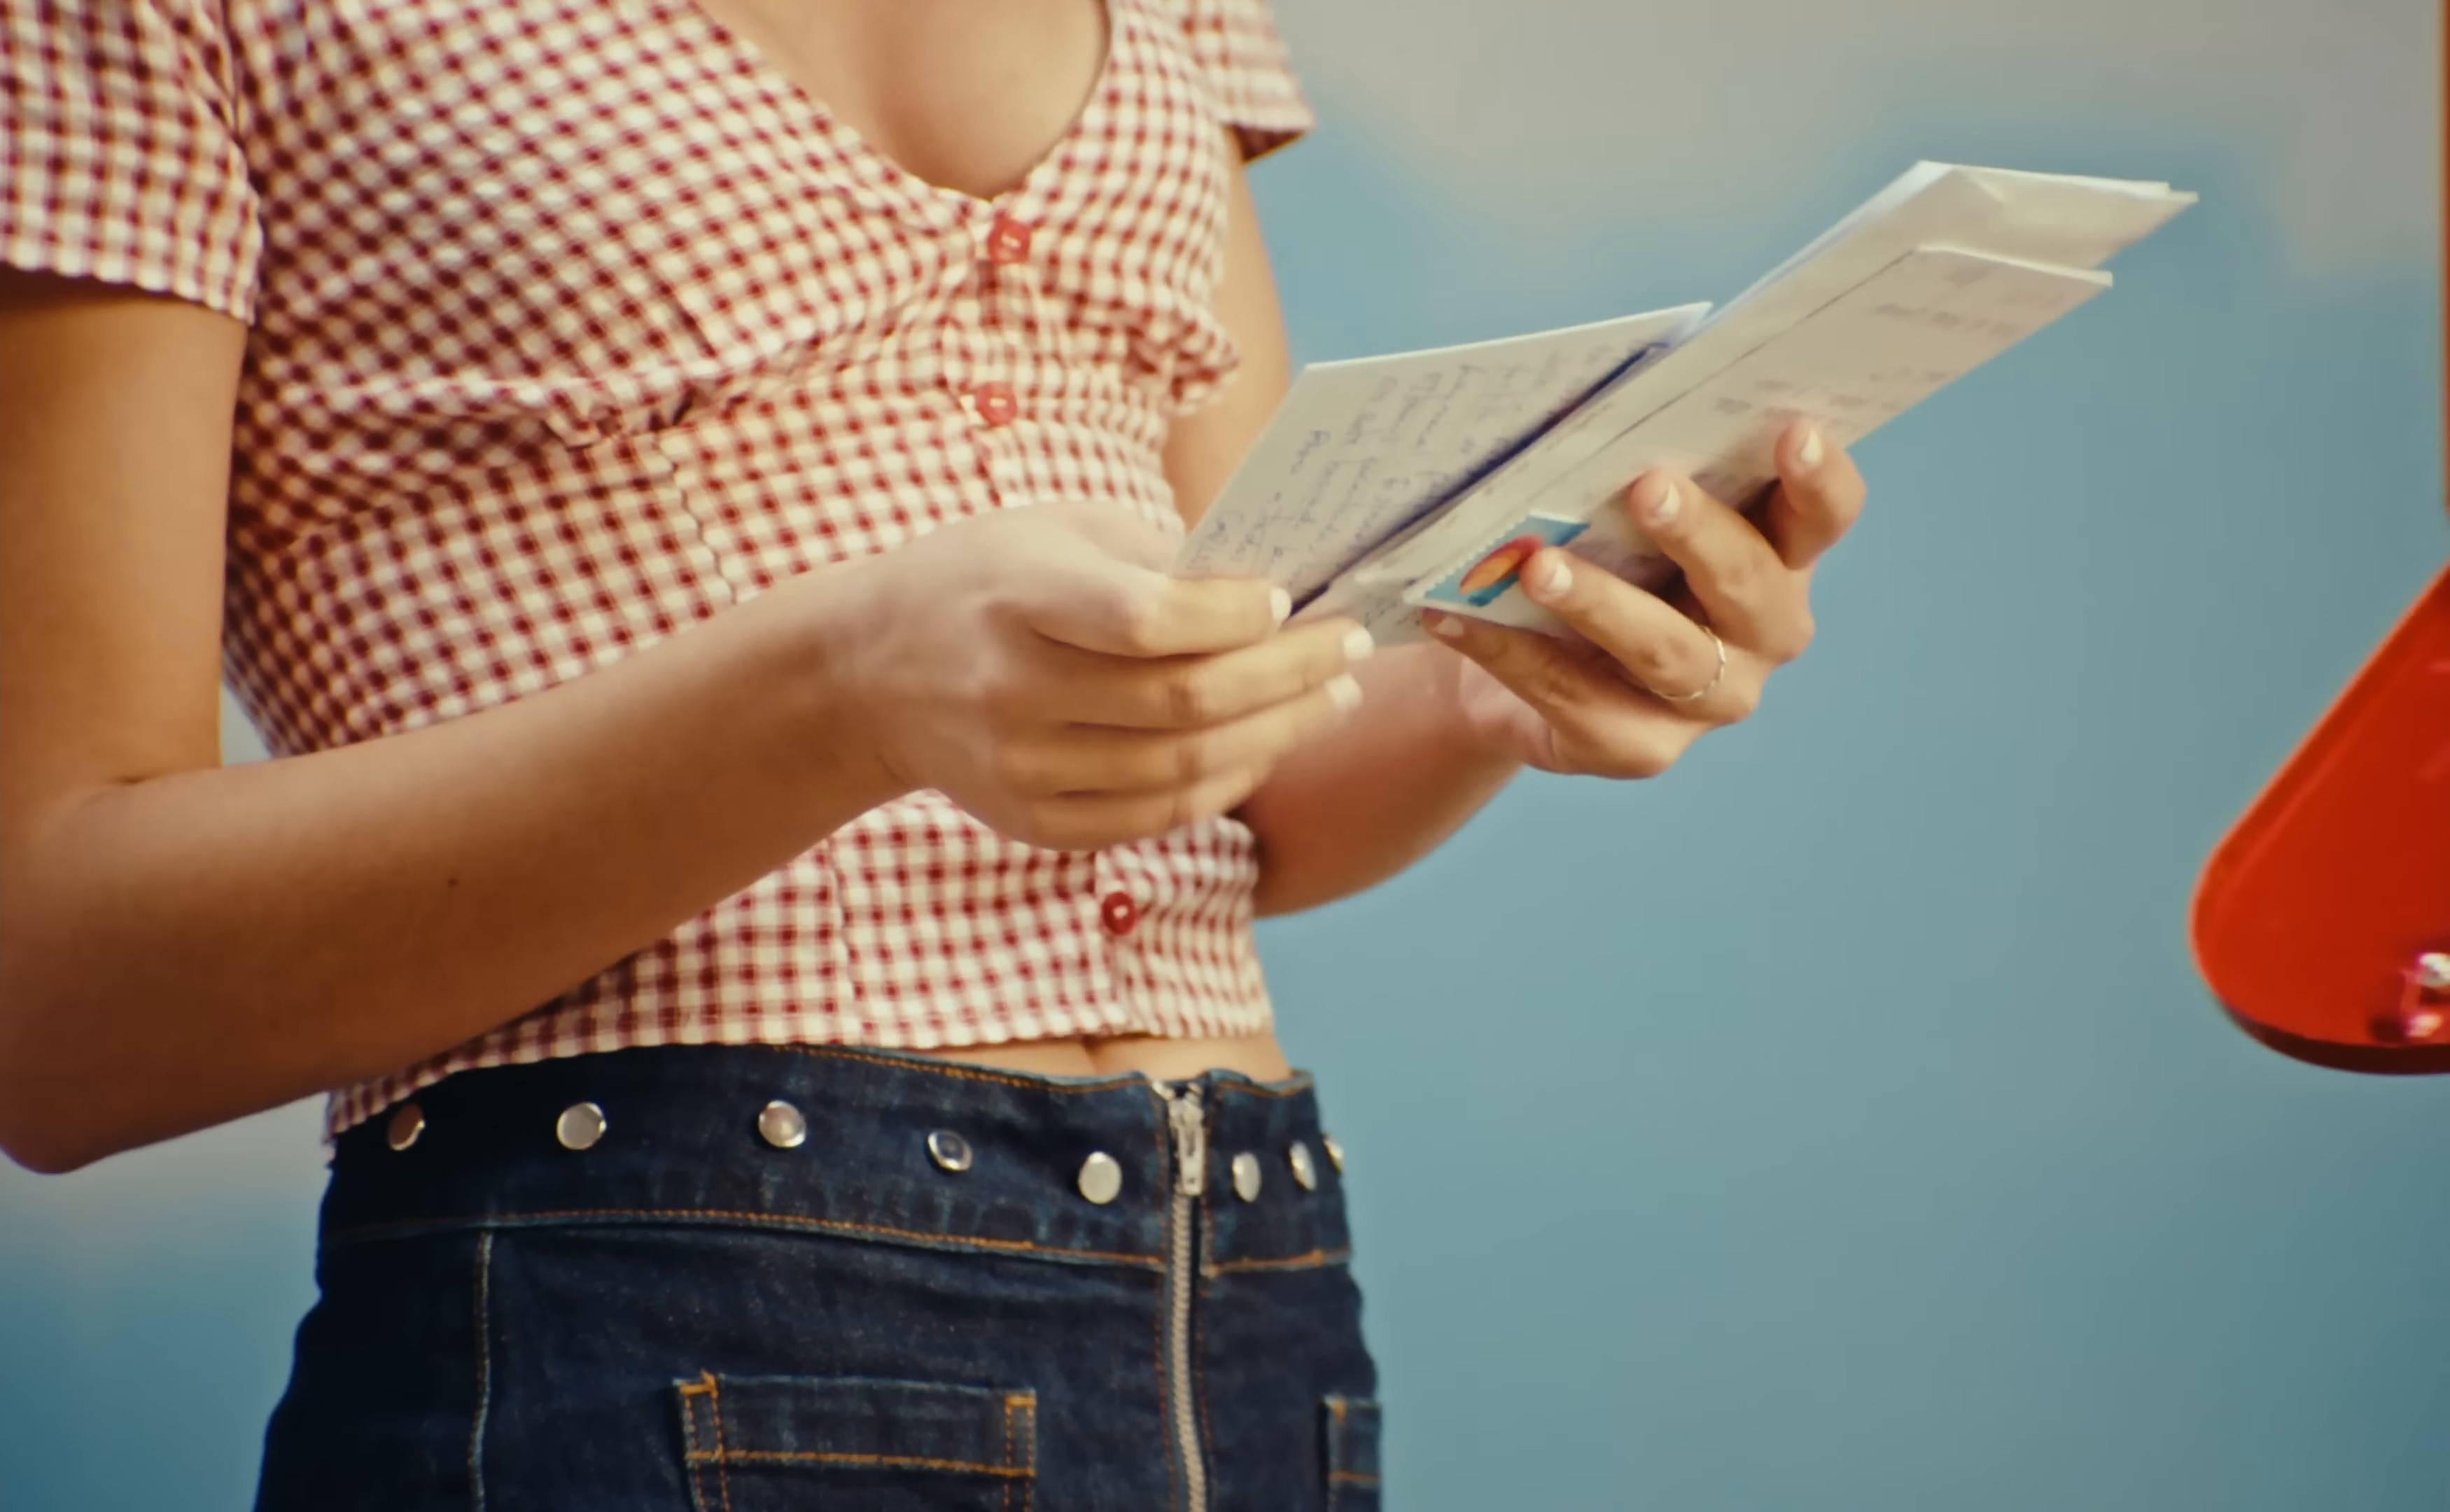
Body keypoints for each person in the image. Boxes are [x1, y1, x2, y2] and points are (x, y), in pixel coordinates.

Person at [0, 0, 1865, 1504]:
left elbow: (1243, 739)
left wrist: (1495, 663)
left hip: (1244, 1297)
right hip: (654, 1294)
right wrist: (844, 682)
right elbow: (57, 1007)